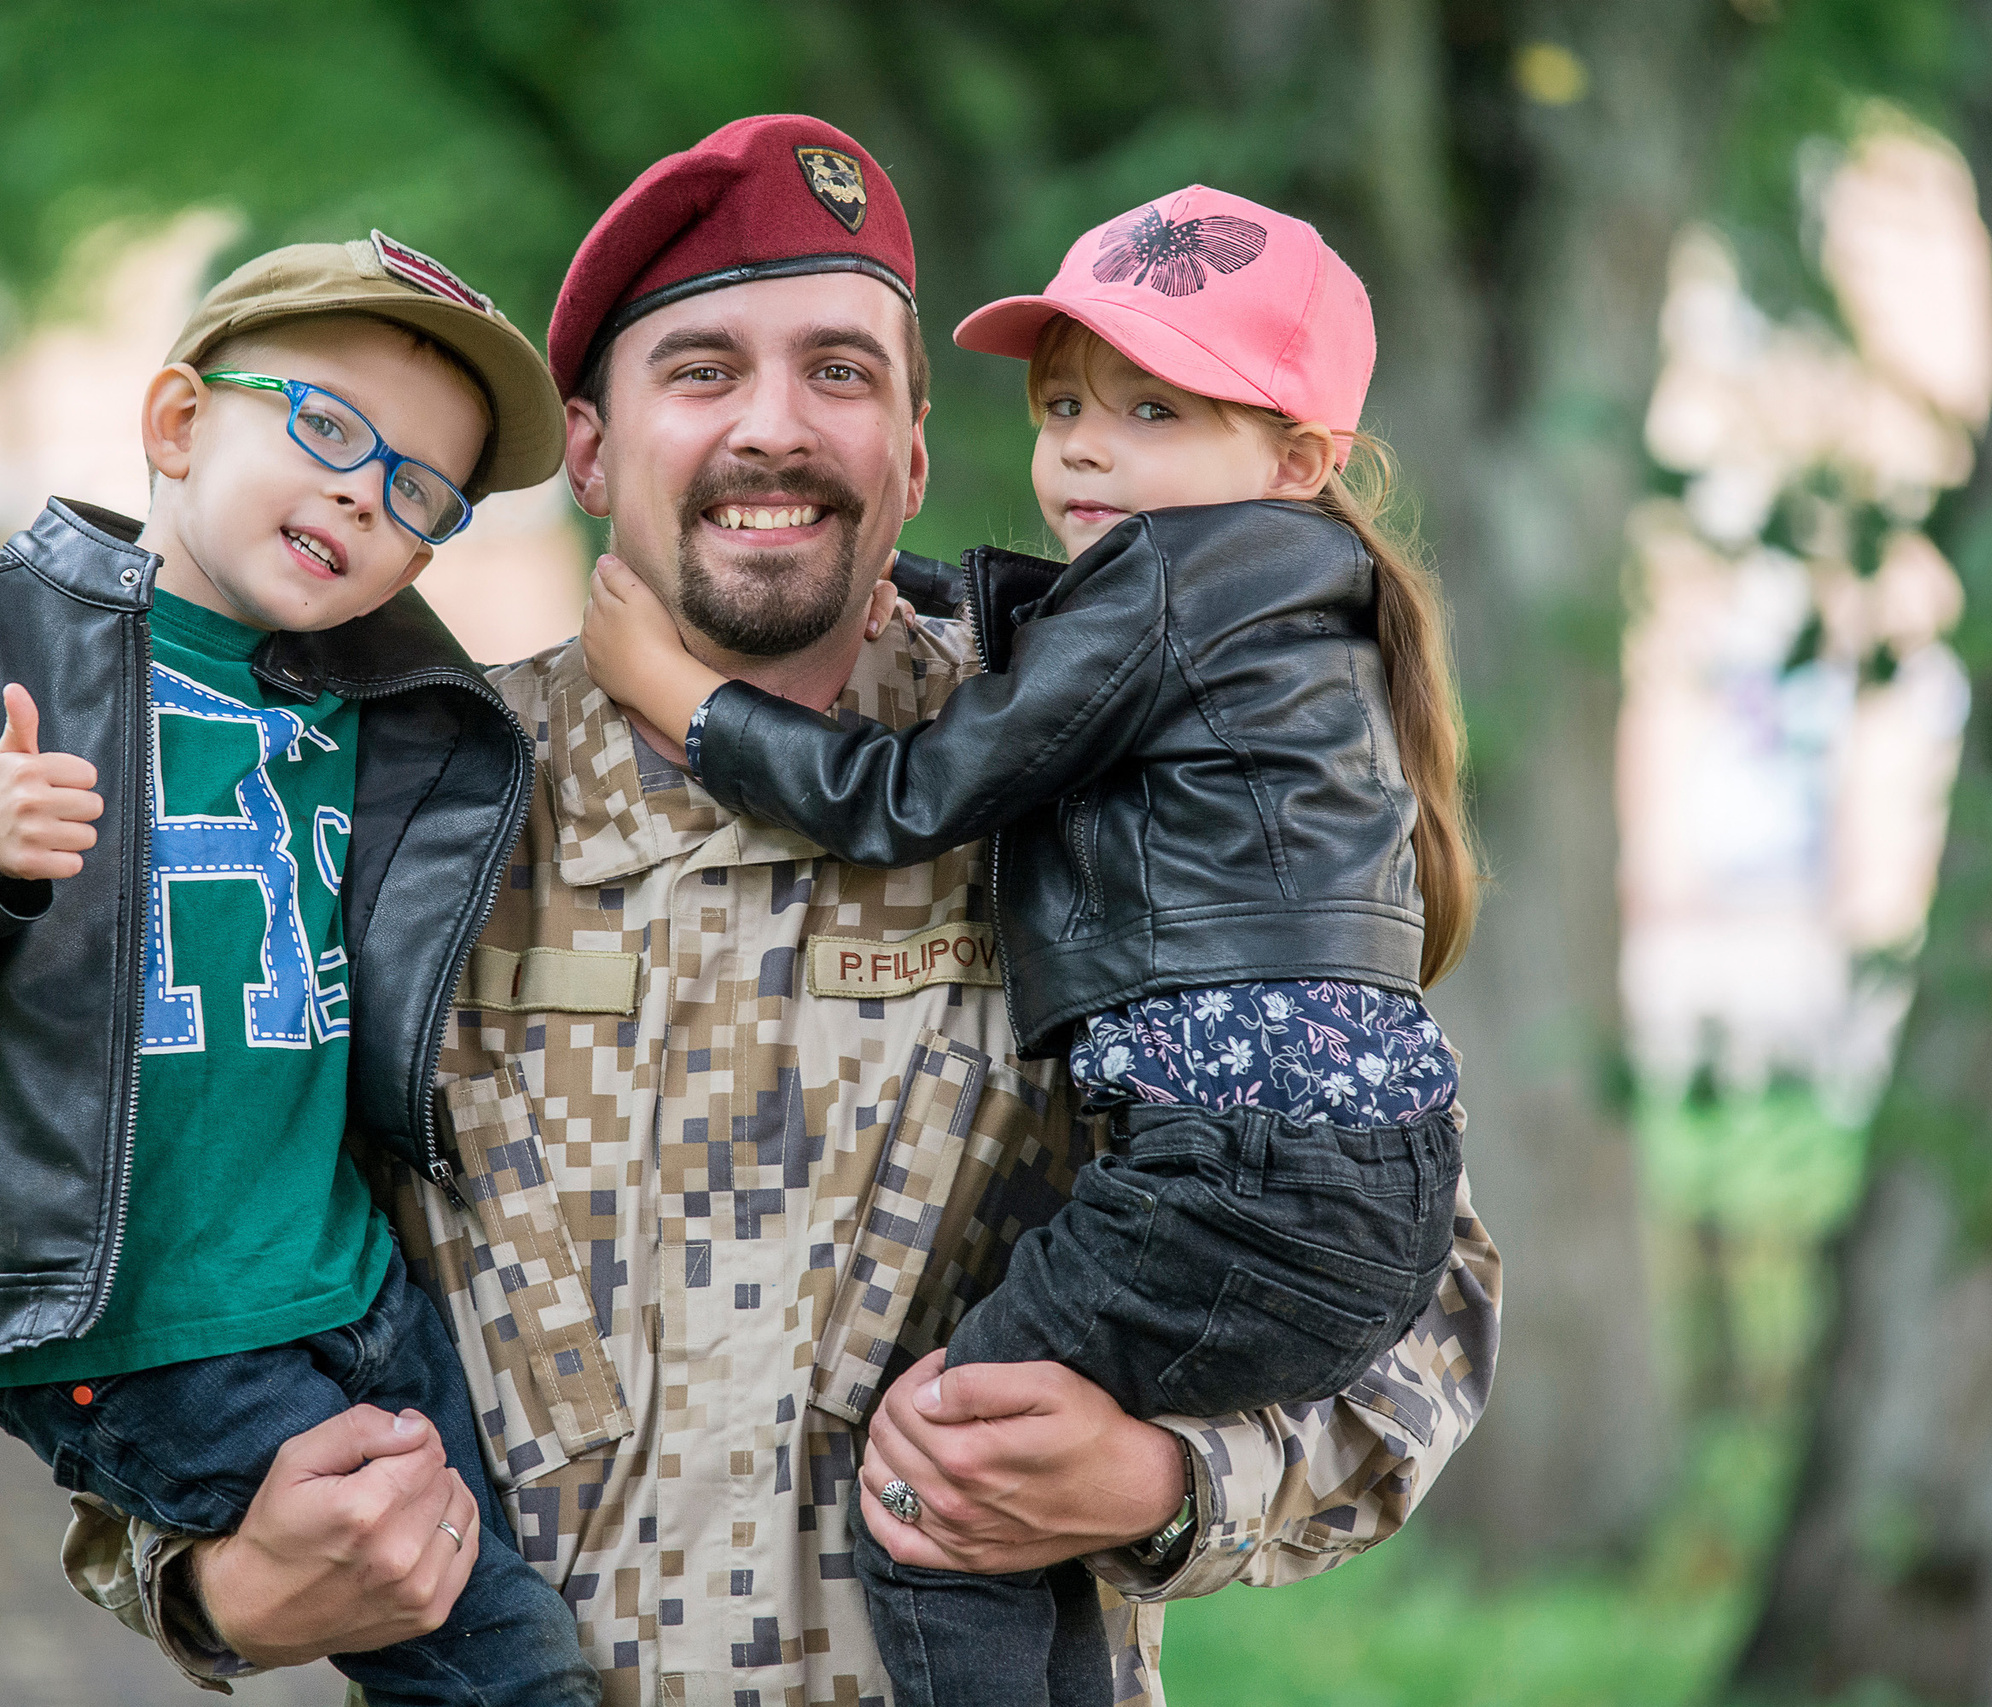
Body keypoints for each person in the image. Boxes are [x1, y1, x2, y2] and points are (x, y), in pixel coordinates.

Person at [62, 119, 1503, 1707]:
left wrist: (1168, 1484)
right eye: (701, 372)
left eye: (838, 371)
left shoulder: (1130, 778)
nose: (773, 427)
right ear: (592, 450)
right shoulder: (391, 804)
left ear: (913, 454)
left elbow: (1412, 1301)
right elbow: (157, 1245)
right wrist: (212, 1580)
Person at [579, 182, 1478, 1706]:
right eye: (1065, 408)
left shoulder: (1178, 588)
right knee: (982, 1512)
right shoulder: (1276, 610)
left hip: (1232, 1172)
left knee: (934, 1490)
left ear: (1300, 460)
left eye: (1153, 409)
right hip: (1324, 1169)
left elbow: (911, 796)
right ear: (592, 443)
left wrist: (683, 697)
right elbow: (1077, 646)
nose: (1087, 449)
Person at [0, 236, 601, 1705]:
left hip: (351, 1283)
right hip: (137, 1317)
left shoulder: (401, 707)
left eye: (419, 490)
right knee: (498, 1658)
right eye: (328, 427)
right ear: (176, 423)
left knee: (483, 1602)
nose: (365, 492)